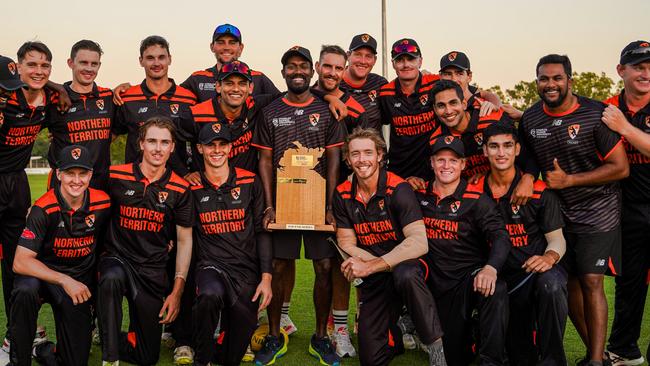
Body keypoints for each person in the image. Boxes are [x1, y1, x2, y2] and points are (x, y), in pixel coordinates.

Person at [519, 54, 629, 366]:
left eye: (556, 78)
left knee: (591, 280)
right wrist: (528, 176)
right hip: (559, 214)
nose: (550, 84)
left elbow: (620, 168)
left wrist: (570, 180)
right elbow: (527, 155)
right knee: (569, 283)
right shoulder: (530, 118)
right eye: (544, 79)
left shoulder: (596, 114)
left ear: (570, 80)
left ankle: (594, 361)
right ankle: (597, 355)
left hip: (599, 211)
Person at [251, 45, 345, 366]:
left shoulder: (326, 109)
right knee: (278, 265)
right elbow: (264, 160)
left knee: (324, 267)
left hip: (317, 203)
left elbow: (334, 160)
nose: (297, 71)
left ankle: (321, 337)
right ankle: (275, 335)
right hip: (284, 203)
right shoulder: (270, 111)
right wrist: (268, 204)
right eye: (291, 67)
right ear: (283, 73)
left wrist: (331, 205)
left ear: (312, 70)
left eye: (302, 66)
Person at [333, 127, 447, 366]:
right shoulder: (342, 192)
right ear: (347, 158)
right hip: (375, 272)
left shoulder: (399, 188)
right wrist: (371, 266)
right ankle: (395, 331)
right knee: (370, 358)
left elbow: (418, 242)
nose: (362, 159)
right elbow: (346, 242)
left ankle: (435, 345)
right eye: (355, 154)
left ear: (380, 155)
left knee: (405, 274)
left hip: (408, 266)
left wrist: (372, 265)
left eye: (367, 152)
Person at [97, 117, 193, 366]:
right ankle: (110, 357)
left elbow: (184, 241)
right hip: (117, 258)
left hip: (151, 269)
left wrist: (177, 291)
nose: (158, 148)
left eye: (164, 142)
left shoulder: (181, 189)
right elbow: (87, 202)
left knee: (147, 357)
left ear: (173, 147)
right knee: (110, 278)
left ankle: (117, 337)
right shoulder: (115, 176)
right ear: (141, 144)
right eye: (152, 141)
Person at [9, 145, 110, 366]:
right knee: (25, 290)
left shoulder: (103, 203)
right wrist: (64, 280)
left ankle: (42, 349)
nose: (76, 180)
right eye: (70, 173)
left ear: (91, 175)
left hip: (78, 282)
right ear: (58, 174)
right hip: (44, 277)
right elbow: (20, 261)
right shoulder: (42, 208)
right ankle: (19, 359)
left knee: (75, 361)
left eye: (82, 173)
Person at [415, 136, 511, 366]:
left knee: (495, 287)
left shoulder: (477, 199)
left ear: (463, 164)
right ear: (431, 163)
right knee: (455, 357)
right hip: (433, 283)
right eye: (441, 160)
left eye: (453, 160)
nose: (446, 166)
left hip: (467, 281)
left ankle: (491, 360)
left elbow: (501, 237)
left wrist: (490, 267)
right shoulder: (417, 195)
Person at [479, 122, 569, 365]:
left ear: (517, 150)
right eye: (494, 146)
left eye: (508, 146)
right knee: (520, 354)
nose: (501, 153)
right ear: (485, 151)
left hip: (532, 274)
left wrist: (549, 258)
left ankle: (552, 361)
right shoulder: (474, 190)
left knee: (552, 283)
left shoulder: (540, 192)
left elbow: (557, 240)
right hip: (498, 276)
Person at [190, 122, 272, 366]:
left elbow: (262, 232)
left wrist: (266, 278)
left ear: (231, 147)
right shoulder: (191, 186)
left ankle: (222, 348)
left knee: (231, 357)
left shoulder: (250, 182)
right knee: (208, 294)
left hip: (246, 272)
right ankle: (201, 359)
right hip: (210, 266)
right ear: (200, 149)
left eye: (222, 144)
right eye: (210, 145)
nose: (217, 150)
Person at [312, 44, 368, 358]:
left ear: (343, 69)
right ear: (318, 67)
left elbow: (362, 123)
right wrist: (325, 97)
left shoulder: (349, 101)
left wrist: (334, 97)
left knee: (346, 260)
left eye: (338, 68)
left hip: (347, 190)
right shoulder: (304, 96)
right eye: (327, 66)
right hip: (309, 190)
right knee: (321, 263)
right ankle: (335, 329)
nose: (332, 72)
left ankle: (350, 327)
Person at [378, 39, 501, 182]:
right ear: (393, 63)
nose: (406, 64)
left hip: (434, 168)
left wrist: (495, 103)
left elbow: (477, 93)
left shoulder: (437, 83)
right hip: (399, 171)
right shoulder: (385, 93)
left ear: (420, 61)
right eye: (400, 60)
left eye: (411, 59)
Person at [0, 42, 56, 352]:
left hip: (17, 183)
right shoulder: (5, 97)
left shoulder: (50, 100)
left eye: (44, 65)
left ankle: (19, 328)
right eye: (31, 64)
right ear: (19, 67)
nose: (38, 71)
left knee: (15, 262)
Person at [600, 40, 650, 366]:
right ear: (622, 70)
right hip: (627, 208)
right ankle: (623, 351)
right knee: (628, 283)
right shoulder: (608, 106)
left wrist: (624, 128)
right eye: (638, 67)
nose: (646, 73)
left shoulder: (617, 118)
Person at [112, 35, 197, 176]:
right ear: (141, 61)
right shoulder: (127, 97)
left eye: (161, 57)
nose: (156, 63)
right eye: (150, 58)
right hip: (136, 183)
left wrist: (195, 172)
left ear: (170, 59)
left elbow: (199, 140)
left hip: (178, 181)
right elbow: (108, 137)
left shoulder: (188, 99)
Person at [46, 40, 114, 191]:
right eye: (83, 62)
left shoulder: (108, 96)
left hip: (100, 183)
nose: (89, 69)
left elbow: (114, 132)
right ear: (70, 63)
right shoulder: (54, 98)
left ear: (99, 66)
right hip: (65, 183)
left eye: (94, 64)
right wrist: (58, 88)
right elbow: (26, 78)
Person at [181, 23, 279, 102]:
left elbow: (284, 102)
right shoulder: (198, 79)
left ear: (241, 48)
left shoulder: (258, 78)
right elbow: (172, 100)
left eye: (232, 43)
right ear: (212, 47)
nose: (226, 47)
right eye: (220, 42)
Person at [339, 33, 388, 132]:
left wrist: (421, 76)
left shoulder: (380, 83)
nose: (363, 61)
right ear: (348, 56)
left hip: (376, 146)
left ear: (374, 60)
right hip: (344, 147)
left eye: (368, 56)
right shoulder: (334, 82)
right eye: (358, 54)